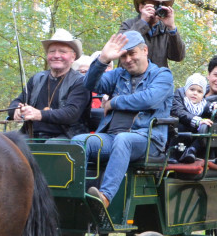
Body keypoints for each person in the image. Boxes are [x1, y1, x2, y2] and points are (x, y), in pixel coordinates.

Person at [71, 30, 173, 208]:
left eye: (132, 53)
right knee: (79, 142)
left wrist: (114, 102)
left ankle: (104, 197)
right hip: (112, 137)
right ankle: (74, 196)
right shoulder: (118, 74)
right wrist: (103, 59)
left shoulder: (162, 75)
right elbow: (89, 84)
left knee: (123, 140)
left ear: (145, 51)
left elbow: (149, 99)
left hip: (147, 140)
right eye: (123, 55)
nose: (127, 60)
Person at [7, 28, 91, 141]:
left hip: (66, 137)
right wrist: (16, 109)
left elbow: (71, 114)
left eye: (62, 51)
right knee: (3, 144)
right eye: (52, 51)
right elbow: (17, 101)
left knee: (50, 146)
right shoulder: (37, 79)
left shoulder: (80, 81)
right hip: (31, 135)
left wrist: (38, 114)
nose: (56, 55)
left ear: (73, 57)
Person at [118, 0, 186, 69]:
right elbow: (119, 46)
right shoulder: (128, 25)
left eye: (159, 7)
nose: (155, 10)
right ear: (141, 7)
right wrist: (143, 23)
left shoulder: (165, 30)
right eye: (152, 6)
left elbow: (178, 57)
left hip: (156, 80)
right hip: (129, 79)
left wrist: (172, 27)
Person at [168, 74, 214, 163]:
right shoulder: (180, 97)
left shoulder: (203, 103)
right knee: (179, 127)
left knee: (205, 129)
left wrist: (216, 106)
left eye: (199, 91)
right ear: (186, 89)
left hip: (193, 131)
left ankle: (191, 150)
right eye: (192, 89)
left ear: (203, 94)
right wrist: (198, 120)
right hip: (177, 127)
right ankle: (171, 153)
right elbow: (178, 111)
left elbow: (209, 106)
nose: (195, 93)